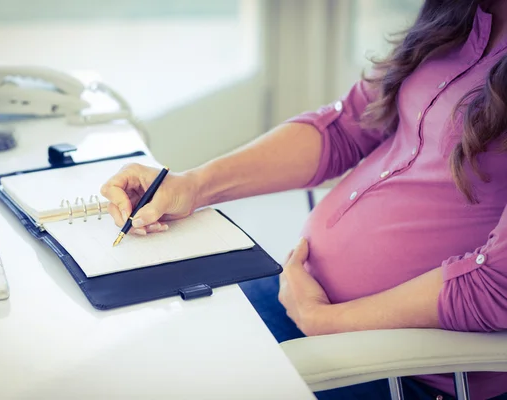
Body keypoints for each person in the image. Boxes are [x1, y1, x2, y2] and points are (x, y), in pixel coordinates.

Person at [101, 0, 507, 398]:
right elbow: (347, 126)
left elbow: (498, 287)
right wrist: (192, 185)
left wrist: (327, 321)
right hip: (301, 292)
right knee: (140, 349)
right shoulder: (459, 12)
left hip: (404, 369)